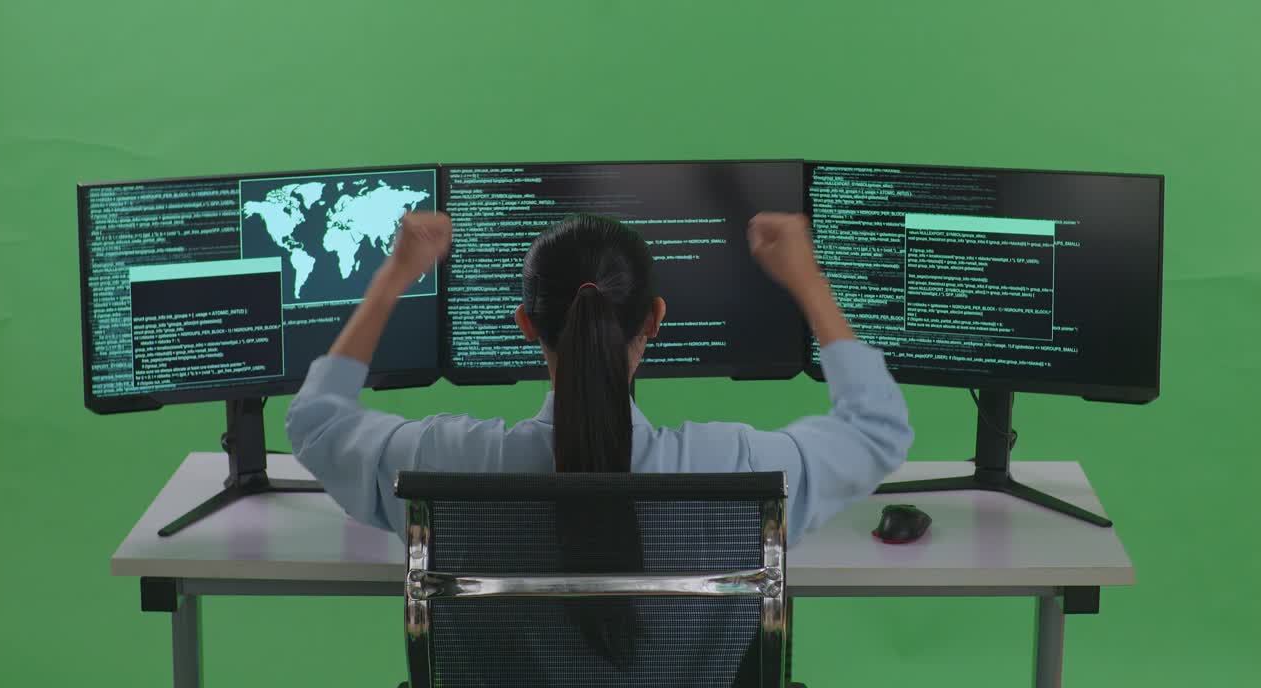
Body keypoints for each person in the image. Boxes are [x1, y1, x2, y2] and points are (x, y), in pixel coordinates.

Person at [286, 210, 912, 547]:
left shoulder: (437, 465)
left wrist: (397, 274)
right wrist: (806, 279)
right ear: (656, 318)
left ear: (526, 325)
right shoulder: (741, 469)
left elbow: (317, 421)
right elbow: (877, 428)